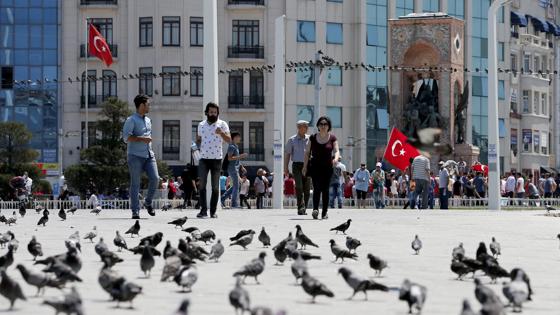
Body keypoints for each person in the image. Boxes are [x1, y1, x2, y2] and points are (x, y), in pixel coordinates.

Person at [122, 94, 159, 219]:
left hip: (149, 154)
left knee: (155, 178)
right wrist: (141, 139)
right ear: (141, 105)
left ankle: (148, 202)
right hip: (135, 156)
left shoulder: (148, 120)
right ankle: (135, 211)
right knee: (135, 183)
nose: (149, 106)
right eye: (148, 104)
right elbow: (126, 138)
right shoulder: (131, 120)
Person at [196, 102, 231, 218]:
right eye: (211, 112)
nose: (213, 114)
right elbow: (199, 140)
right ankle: (203, 210)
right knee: (202, 186)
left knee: (216, 188)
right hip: (203, 159)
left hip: (216, 159)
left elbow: (229, 140)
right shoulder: (201, 125)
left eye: (215, 112)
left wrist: (221, 133)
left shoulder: (222, 124)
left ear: (218, 113)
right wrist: (195, 147)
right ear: (206, 113)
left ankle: (213, 211)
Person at [303, 116, 340, 219]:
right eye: (321, 124)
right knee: (316, 188)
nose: (323, 126)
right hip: (315, 167)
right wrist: (305, 166)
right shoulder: (313, 138)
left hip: (328, 167)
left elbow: (336, 151)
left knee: (325, 190)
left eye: (325, 124)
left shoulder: (332, 138)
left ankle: (324, 212)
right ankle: (315, 209)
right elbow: (307, 153)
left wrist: (336, 159)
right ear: (318, 126)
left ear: (329, 126)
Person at [284, 120, 311, 215]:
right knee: (299, 186)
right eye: (305, 126)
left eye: (307, 126)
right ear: (299, 128)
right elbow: (287, 154)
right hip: (296, 165)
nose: (307, 128)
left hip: (308, 165)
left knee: (307, 189)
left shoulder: (310, 139)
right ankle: (300, 207)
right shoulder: (292, 140)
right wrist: (285, 167)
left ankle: (304, 208)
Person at [224, 132, 248, 209]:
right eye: (239, 137)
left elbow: (236, 159)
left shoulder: (235, 146)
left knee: (236, 186)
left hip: (235, 168)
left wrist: (241, 166)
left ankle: (223, 198)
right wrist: (241, 156)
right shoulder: (231, 146)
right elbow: (229, 158)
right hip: (232, 168)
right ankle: (234, 204)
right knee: (237, 185)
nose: (240, 138)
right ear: (234, 137)